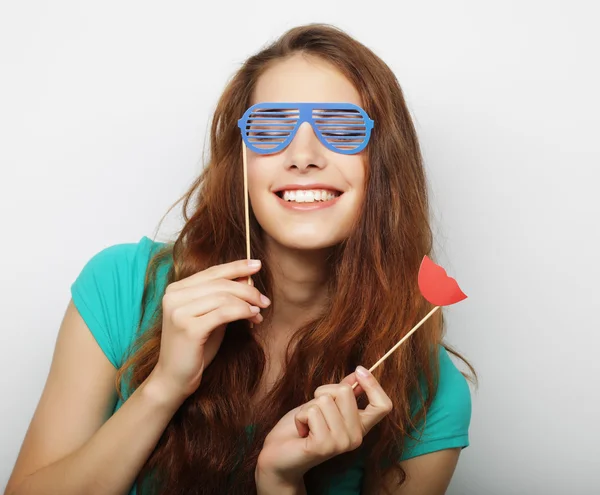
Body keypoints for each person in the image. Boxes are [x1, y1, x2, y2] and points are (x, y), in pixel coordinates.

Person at [5, 23, 474, 495]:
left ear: (385, 162)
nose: (303, 155)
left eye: (341, 127)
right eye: (270, 128)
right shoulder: (122, 286)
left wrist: (282, 483)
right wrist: (165, 386)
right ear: (241, 162)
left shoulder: (430, 389)